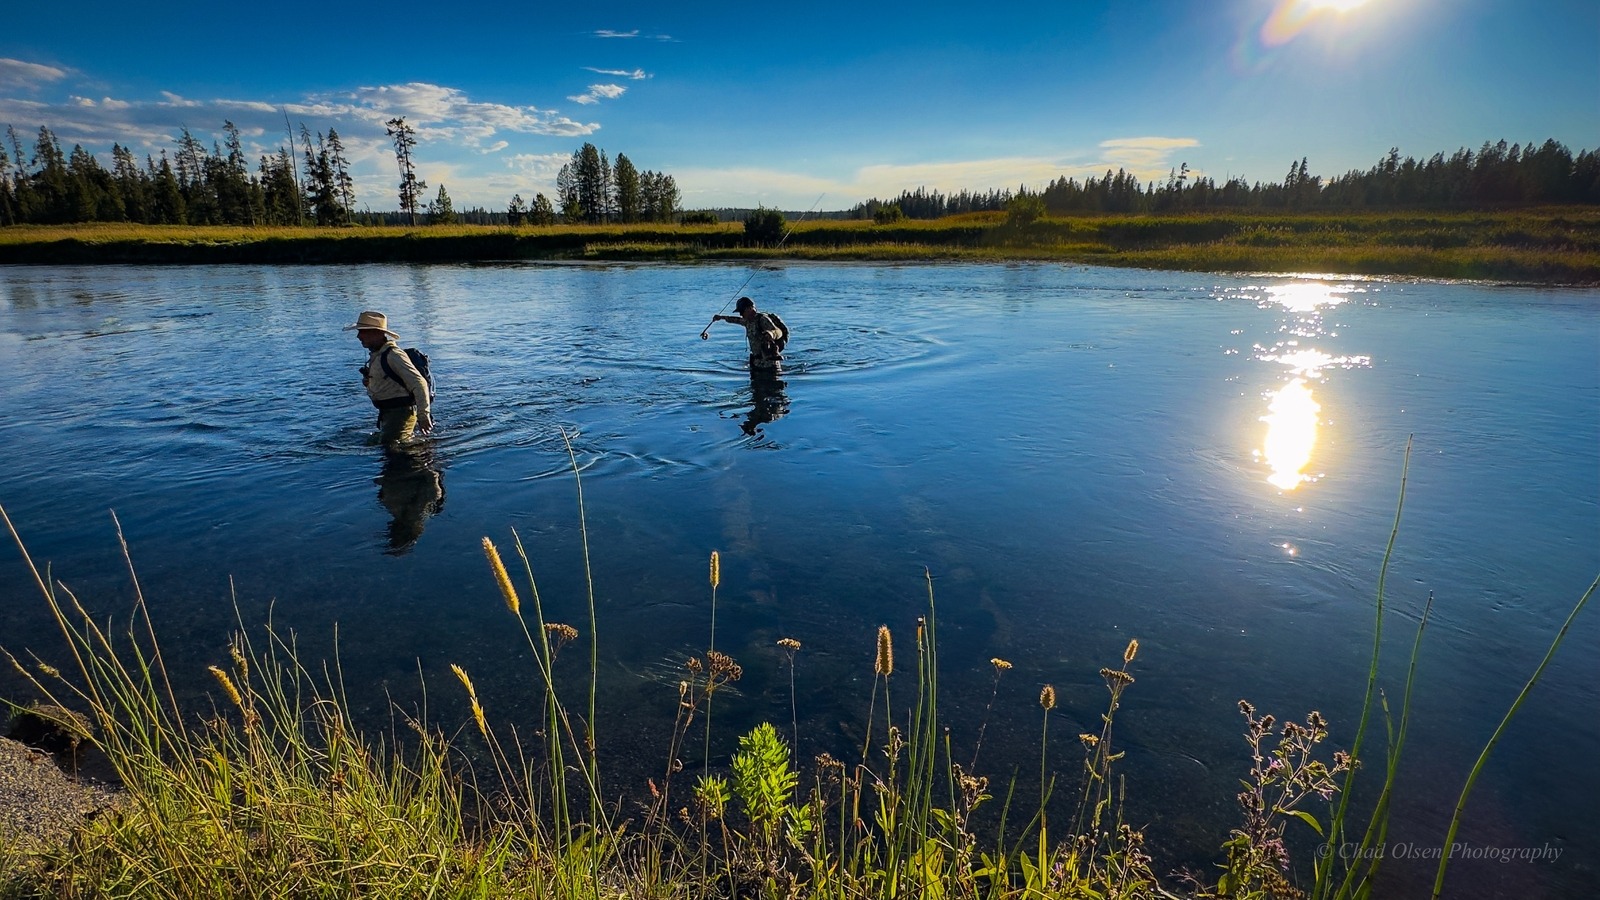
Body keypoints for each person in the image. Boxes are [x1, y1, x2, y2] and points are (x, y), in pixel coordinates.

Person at [345, 310, 432, 448]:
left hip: (401, 414)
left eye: (362, 331)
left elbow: (419, 383)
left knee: (394, 450)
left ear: (377, 333)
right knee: (389, 447)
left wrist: (423, 415)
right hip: (388, 414)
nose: (358, 336)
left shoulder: (394, 355)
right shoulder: (378, 354)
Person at [711, 296, 788, 370]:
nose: (741, 314)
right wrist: (721, 317)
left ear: (749, 308)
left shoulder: (762, 319)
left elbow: (778, 332)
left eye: (741, 311)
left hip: (770, 365)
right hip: (756, 364)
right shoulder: (747, 321)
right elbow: (736, 320)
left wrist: (771, 334)